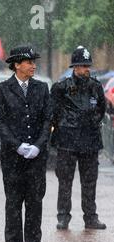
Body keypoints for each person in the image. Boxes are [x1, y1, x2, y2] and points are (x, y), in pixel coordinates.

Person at [0, 45, 52, 242]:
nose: (33, 66)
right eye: (29, 62)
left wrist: (38, 145)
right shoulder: (2, 89)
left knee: (35, 204)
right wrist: (17, 145)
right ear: (17, 65)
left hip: (37, 158)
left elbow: (48, 119)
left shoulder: (42, 88)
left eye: (34, 62)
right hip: (12, 158)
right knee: (14, 204)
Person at [51, 46, 107, 230]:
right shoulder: (61, 87)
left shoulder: (96, 87)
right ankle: (63, 216)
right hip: (67, 141)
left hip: (90, 141)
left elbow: (101, 110)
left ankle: (90, 217)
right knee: (65, 182)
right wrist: (67, 124)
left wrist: (90, 122)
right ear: (75, 67)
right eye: (82, 66)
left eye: (87, 65)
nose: (86, 69)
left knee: (89, 182)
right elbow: (54, 111)